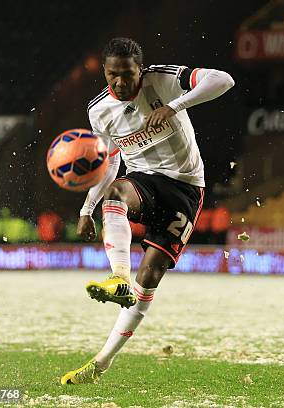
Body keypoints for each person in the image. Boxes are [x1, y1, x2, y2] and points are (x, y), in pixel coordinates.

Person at [61, 37, 234, 384]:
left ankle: (101, 363)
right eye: (113, 76)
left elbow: (224, 80)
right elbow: (108, 162)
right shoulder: (99, 111)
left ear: (141, 69)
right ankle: (118, 277)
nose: (121, 83)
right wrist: (86, 208)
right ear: (105, 74)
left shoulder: (166, 80)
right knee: (116, 192)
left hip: (185, 186)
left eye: (127, 75)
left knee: (151, 277)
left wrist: (174, 106)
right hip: (143, 180)